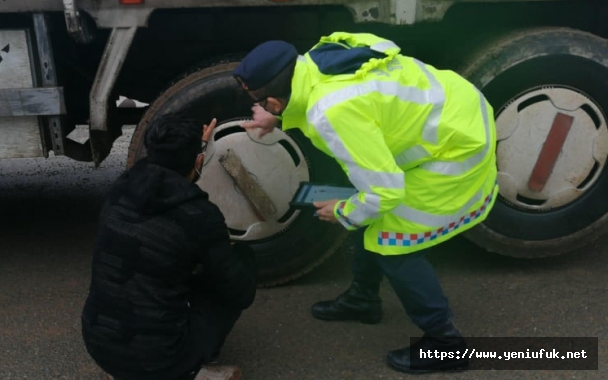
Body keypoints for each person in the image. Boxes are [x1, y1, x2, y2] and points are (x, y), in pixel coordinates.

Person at [233, 33, 498, 373]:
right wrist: (279, 118)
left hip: (458, 149)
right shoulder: (317, 57)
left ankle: (445, 344)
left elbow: (384, 193)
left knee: (394, 242)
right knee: (368, 212)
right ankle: (363, 300)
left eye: (265, 104)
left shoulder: (332, 111)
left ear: (274, 100)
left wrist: (342, 212)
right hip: (456, 111)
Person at [81, 113, 257, 380]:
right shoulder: (200, 215)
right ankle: (191, 369)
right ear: (198, 161)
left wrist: (194, 145)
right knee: (240, 263)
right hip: (159, 361)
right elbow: (239, 292)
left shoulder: (122, 188)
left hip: (99, 344)